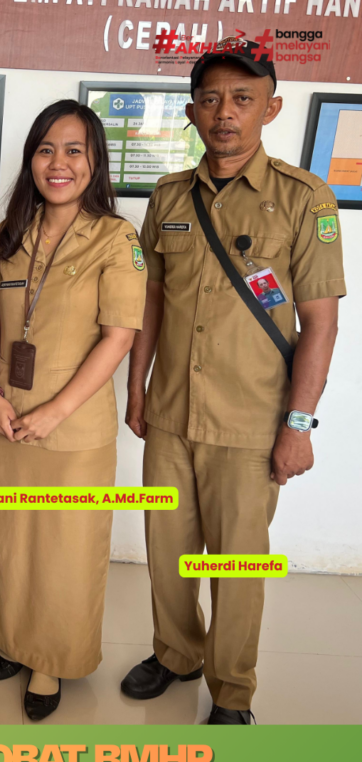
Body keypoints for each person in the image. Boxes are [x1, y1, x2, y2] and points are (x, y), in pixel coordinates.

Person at [121, 41, 345, 723]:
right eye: (212, 99)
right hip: (171, 414)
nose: (226, 113)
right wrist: (137, 389)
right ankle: (176, 653)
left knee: (237, 565)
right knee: (167, 554)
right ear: (192, 111)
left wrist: (298, 426)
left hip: (251, 423)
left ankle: (232, 691)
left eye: (243, 99)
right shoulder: (169, 196)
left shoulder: (304, 199)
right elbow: (151, 300)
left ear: (269, 109)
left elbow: (321, 324)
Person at [0, 101, 146, 721]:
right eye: (46, 149)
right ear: (31, 160)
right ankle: (13, 639)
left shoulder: (115, 238)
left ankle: (49, 658)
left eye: (75, 150)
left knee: (65, 549)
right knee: (12, 541)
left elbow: (119, 338)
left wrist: (54, 412)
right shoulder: (10, 232)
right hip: (7, 418)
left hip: (73, 430)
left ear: (95, 161)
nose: (59, 163)